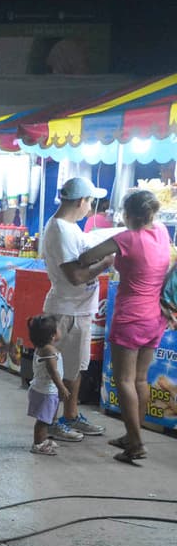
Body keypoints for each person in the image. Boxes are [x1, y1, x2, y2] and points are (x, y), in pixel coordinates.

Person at [74, 189, 171, 463]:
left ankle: (136, 443)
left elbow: (86, 257)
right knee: (140, 379)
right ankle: (132, 435)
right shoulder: (162, 232)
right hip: (155, 317)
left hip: (130, 318)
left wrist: (106, 260)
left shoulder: (126, 238)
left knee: (125, 380)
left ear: (128, 215)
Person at [40, 177, 115, 442]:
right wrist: (106, 262)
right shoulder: (59, 229)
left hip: (79, 310)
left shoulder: (71, 228)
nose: (91, 207)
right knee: (56, 372)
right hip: (65, 311)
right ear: (81, 201)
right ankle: (49, 422)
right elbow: (74, 276)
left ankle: (70, 416)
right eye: (90, 202)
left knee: (75, 369)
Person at [25, 314, 66, 456]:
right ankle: (38, 444)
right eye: (59, 329)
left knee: (48, 418)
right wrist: (62, 388)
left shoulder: (42, 347)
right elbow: (53, 372)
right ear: (53, 335)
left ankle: (43, 439)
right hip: (46, 392)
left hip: (46, 390)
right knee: (43, 420)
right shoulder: (48, 350)